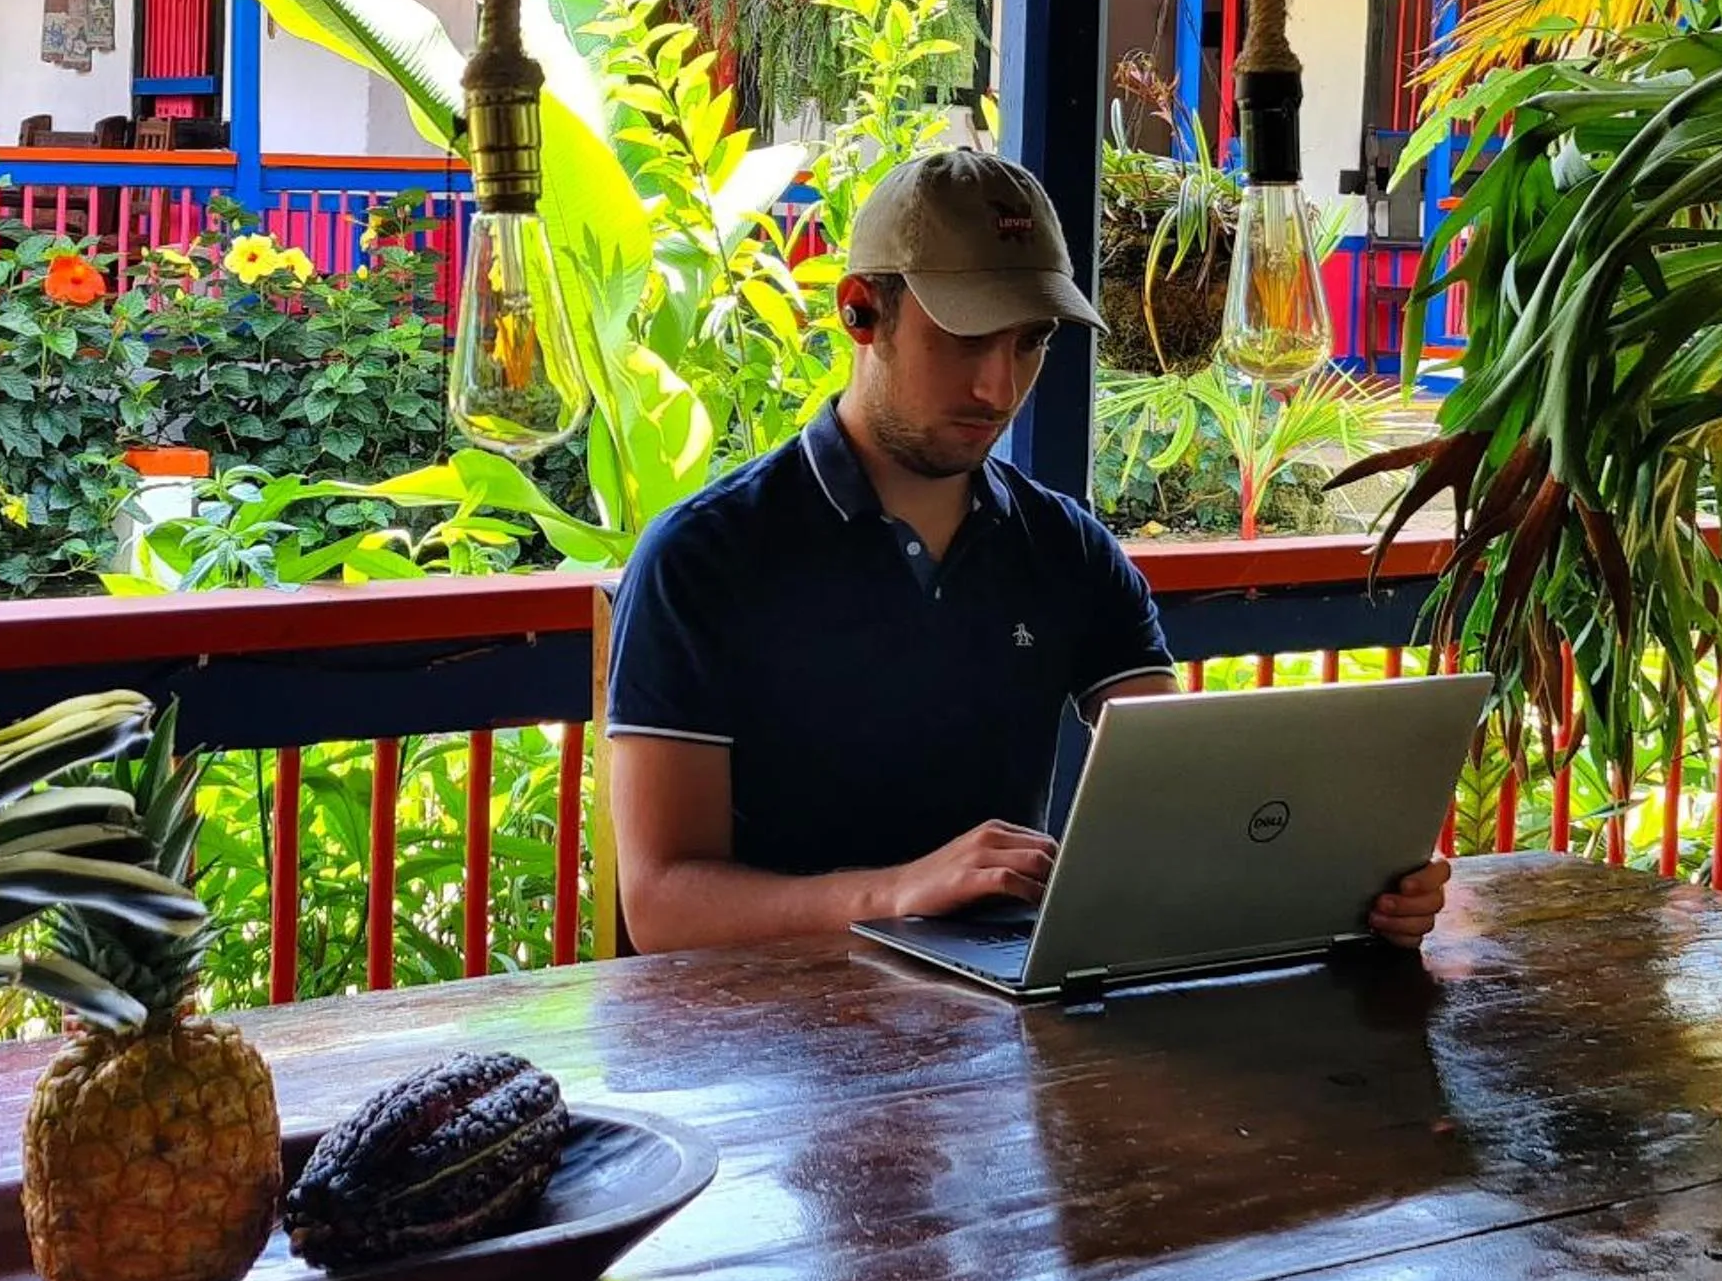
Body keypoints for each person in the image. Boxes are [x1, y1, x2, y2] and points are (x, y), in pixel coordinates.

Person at [606, 149, 1452, 955]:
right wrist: (896, 892)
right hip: (763, 1055)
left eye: (1030, 341)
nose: (998, 388)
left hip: (1003, 1029)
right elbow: (662, 903)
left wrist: (1346, 885)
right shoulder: (703, 558)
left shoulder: (1067, 551)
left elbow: (1188, 794)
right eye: (967, 338)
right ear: (861, 310)